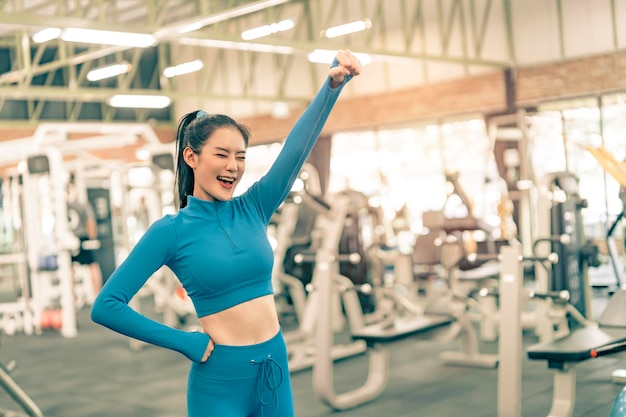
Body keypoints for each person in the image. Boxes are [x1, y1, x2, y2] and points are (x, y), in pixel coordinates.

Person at [90, 49, 362, 417]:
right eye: (221, 154)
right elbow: (106, 306)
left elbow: (296, 149)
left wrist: (331, 87)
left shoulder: (254, 206)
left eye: (241, 156)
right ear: (191, 157)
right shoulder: (169, 232)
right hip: (219, 381)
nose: (233, 166)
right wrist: (184, 342)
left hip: (274, 365)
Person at [67, 179, 103, 297]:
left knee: (69, 267)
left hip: (70, 239)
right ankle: (97, 294)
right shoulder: (81, 204)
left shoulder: (64, 206)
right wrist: (92, 239)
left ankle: (72, 296)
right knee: (92, 265)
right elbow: (90, 222)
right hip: (81, 238)